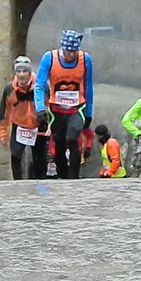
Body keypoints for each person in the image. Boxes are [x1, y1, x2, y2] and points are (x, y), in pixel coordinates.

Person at [34, 30, 94, 179]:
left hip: (76, 108)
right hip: (56, 109)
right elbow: (39, 85)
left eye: (74, 51)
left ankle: (74, 177)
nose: (71, 55)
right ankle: (63, 175)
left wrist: (88, 113)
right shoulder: (49, 58)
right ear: (62, 49)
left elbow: (88, 86)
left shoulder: (85, 59)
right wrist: (40, 108)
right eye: (68, 52)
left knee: (73, 138)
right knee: (59, 143)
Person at [0, 56, 47, 180]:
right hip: (19, 126)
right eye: (18, 71)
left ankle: (40, 186)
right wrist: (2, 133)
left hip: (38, 126)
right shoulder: (9, 89)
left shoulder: (41, 87)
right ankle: (17, 183)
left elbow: (50, 107)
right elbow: (4, 113)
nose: (21, 74)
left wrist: (50, 126)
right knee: (15, 156)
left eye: (25, 71)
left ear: (30, 73)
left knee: (39, 160)